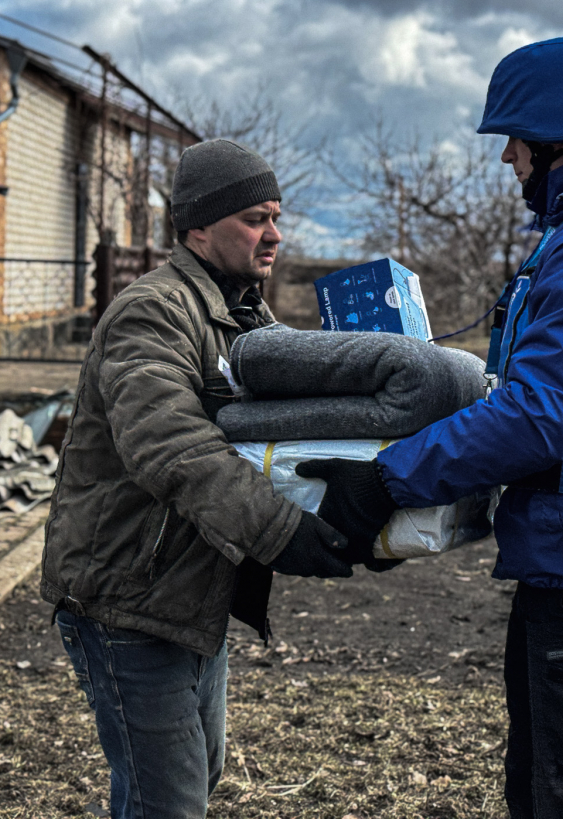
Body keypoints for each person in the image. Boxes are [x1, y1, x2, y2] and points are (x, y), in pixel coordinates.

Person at [298, 36, 563, 818]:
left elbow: (540, 414)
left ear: (556, 138)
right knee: (546, 790)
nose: (508, 161)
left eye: (514, 140)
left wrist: (386, 481)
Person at [41, 139, 355, 819]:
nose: (273, 234)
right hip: (125, 594)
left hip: (186, 591)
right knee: (169, 802)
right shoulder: (153, 311)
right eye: (255, 218)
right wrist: (281, 531)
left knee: (193, 779)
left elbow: (282, 432)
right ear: (198, 228)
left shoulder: (244, 315)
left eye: (275, 216)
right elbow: (171, 445)